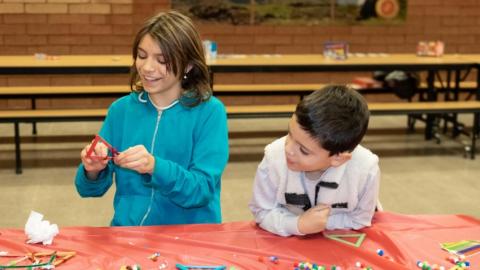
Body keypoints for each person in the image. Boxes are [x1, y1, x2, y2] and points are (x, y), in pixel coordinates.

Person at [75, 10, 229, 226]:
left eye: (162, 60)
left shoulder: (210, 112)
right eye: (142, 55)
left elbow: (201, 190)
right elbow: (89, 190)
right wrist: (92, 170)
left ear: (188, 66)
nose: (147, 68)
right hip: (130, 234)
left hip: (190, 237)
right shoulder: (121, 110)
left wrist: (154, 166)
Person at [249, 85, 380, 237]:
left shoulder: (366, 169)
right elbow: (262, 211)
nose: (288, 149)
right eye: (289, 134)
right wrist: (297, 224)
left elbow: (360, 219)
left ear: (338, 158)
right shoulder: (274, 156)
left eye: (304, 151)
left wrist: (320, 223)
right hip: (287, 243)